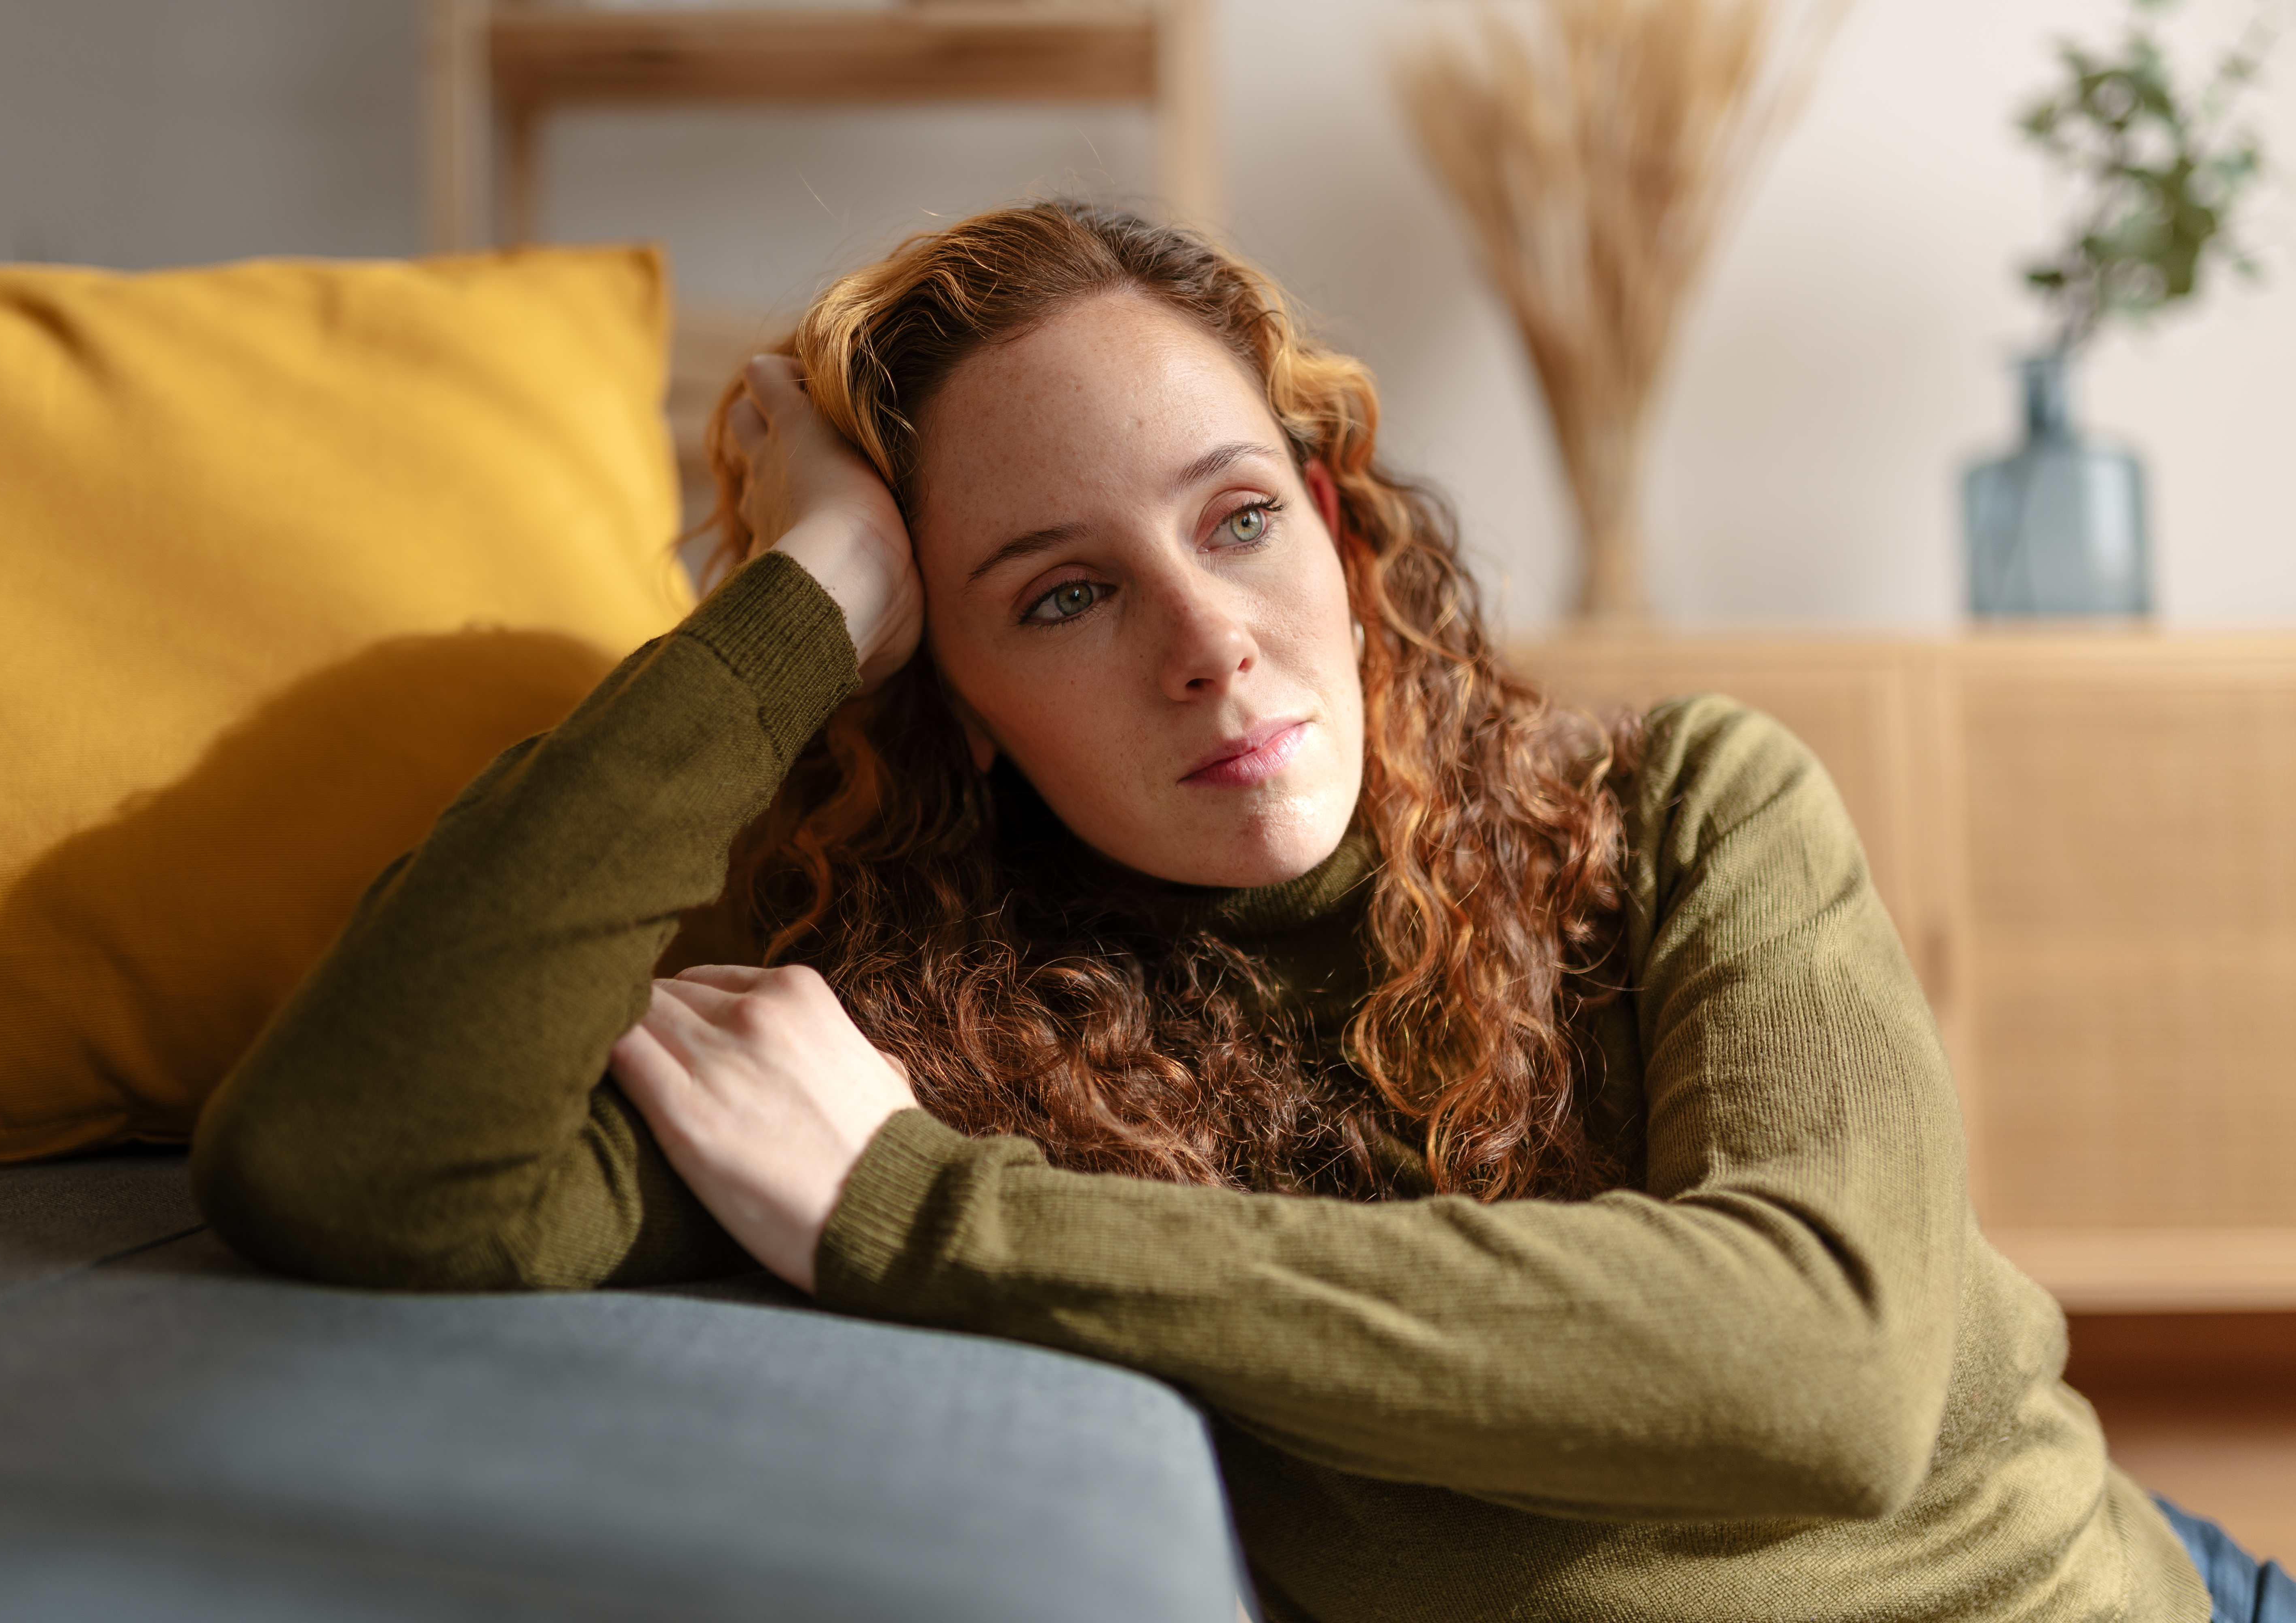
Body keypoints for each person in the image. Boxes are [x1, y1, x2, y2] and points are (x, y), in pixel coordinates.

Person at [193, 202, 2267, 1623]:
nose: (1208, 644)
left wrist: (930, 1215)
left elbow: (1830, 1375)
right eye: (1059, 594)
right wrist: (801, 606)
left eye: (1239, 517)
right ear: (957, 702)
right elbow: (362, 1162)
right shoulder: (898, 1035)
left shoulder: (1683, 809)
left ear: (1343, 537)